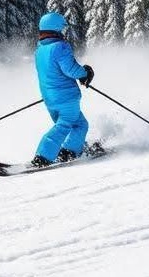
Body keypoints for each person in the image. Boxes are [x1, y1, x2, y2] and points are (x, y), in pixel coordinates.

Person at [31, 12, 98, 167]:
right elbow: (71, 70)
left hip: (50, 98)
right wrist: (85, 72)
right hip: (66, 98)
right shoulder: (60, 47)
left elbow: (50, 71)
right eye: (61, 29)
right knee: (64, 126)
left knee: (80, 125)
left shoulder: (39, 50)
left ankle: (70, 151)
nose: (63, 32)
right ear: (55, 28)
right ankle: (42, 156)